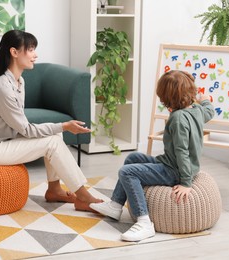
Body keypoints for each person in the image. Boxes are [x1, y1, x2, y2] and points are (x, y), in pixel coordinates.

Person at [0, 30, 102, 211]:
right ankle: (83, 197)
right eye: (30, 50)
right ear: (14, 52)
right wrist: (64, 125)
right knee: (53, 140)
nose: (35, 55)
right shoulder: (2, 88)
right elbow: (26, 130)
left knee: (56, 136)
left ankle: (54, 190)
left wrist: (60, 129)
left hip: (1, 142)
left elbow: (20, 126)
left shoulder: (18, 81)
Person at [90, 70, 215, 242]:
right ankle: (115, 205)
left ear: (167, 98)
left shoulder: (178, 119)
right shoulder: (198, 110)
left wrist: (186, 182)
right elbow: (210, 110)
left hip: (174, 171)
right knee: (132, 158)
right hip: (172, 163)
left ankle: (144, 222)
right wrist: (205, 99)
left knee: (127, 172)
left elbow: (182, 152)